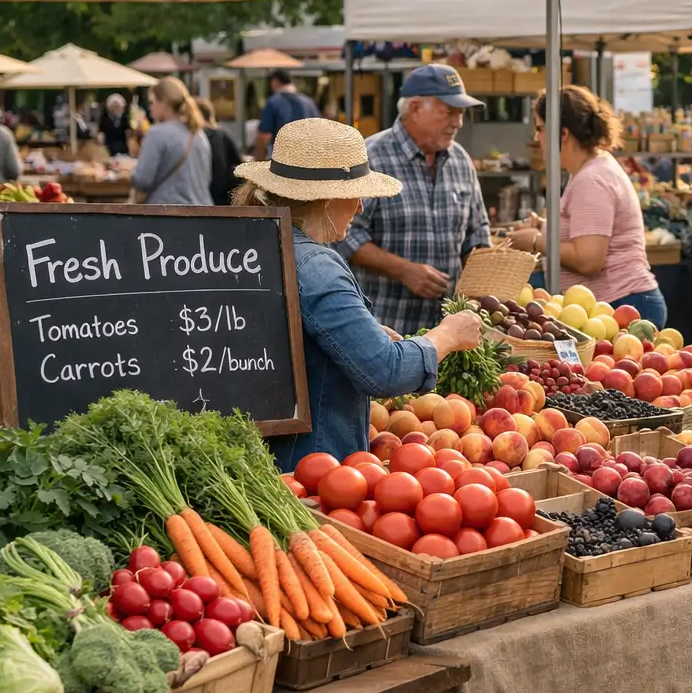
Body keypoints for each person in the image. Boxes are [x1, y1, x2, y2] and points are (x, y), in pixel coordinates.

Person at [233, 118, 484, 469]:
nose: (362, 207)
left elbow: (281, 340)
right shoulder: (318, 266)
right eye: (357, 194)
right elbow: (385, 371)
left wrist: (353, 334)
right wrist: (447, 336)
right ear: (327, 199)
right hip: (313, 467)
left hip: (260, 460)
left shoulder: (254, 247)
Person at [338, 64, 490, 334]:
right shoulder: (370, 157)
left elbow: (477, 232)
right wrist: (403, 270)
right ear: (416, 108)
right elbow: (343, 234)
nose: (458, 122)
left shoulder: (461, 161)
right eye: (449, 112)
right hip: (386, 330)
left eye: (461, 113)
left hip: (450, 334)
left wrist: (482, 281)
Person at [508, 86, 666, 323]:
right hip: (619, 303)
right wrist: (544, 227)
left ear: (562, 133)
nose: (536, 138)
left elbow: (589, 259)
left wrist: (536, 240)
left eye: (540, 129)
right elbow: (588, 231)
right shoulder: (591, 169)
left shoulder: (591, 179)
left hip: (624, 303)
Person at [132, 77, 213, 205]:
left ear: (164, 103)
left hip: (168, 212)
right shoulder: (198, 134)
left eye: (152, 102)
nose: (150, 107)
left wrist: (130, 171)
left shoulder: (156, 133)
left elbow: (142, 180)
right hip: (203, 210)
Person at [253, 68, 320, 160]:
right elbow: (319, 132)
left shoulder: (273, 102)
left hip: (282, 160)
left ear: (274, 82)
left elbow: (264, 136)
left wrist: (257, 163)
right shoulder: (309, 103)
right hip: (308, 158)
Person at [195, 96, 243, 207]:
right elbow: (239, 164)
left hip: (204, 195)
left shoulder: (194, 138)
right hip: (224, 196)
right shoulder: (223, 134)